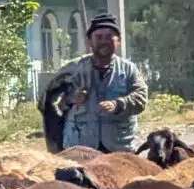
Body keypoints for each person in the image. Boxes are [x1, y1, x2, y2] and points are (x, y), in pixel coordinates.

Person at [38, 15, 147, 152]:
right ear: (89, 41)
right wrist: (72, 99)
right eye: (99, 37)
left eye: (109, 37)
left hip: (119, 148)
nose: (104, 41)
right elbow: (48, 100)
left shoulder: (129, 70)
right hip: (79, 148)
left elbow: (141, 98)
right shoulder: (72, 69)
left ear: (118, 41)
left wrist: (117, 104)